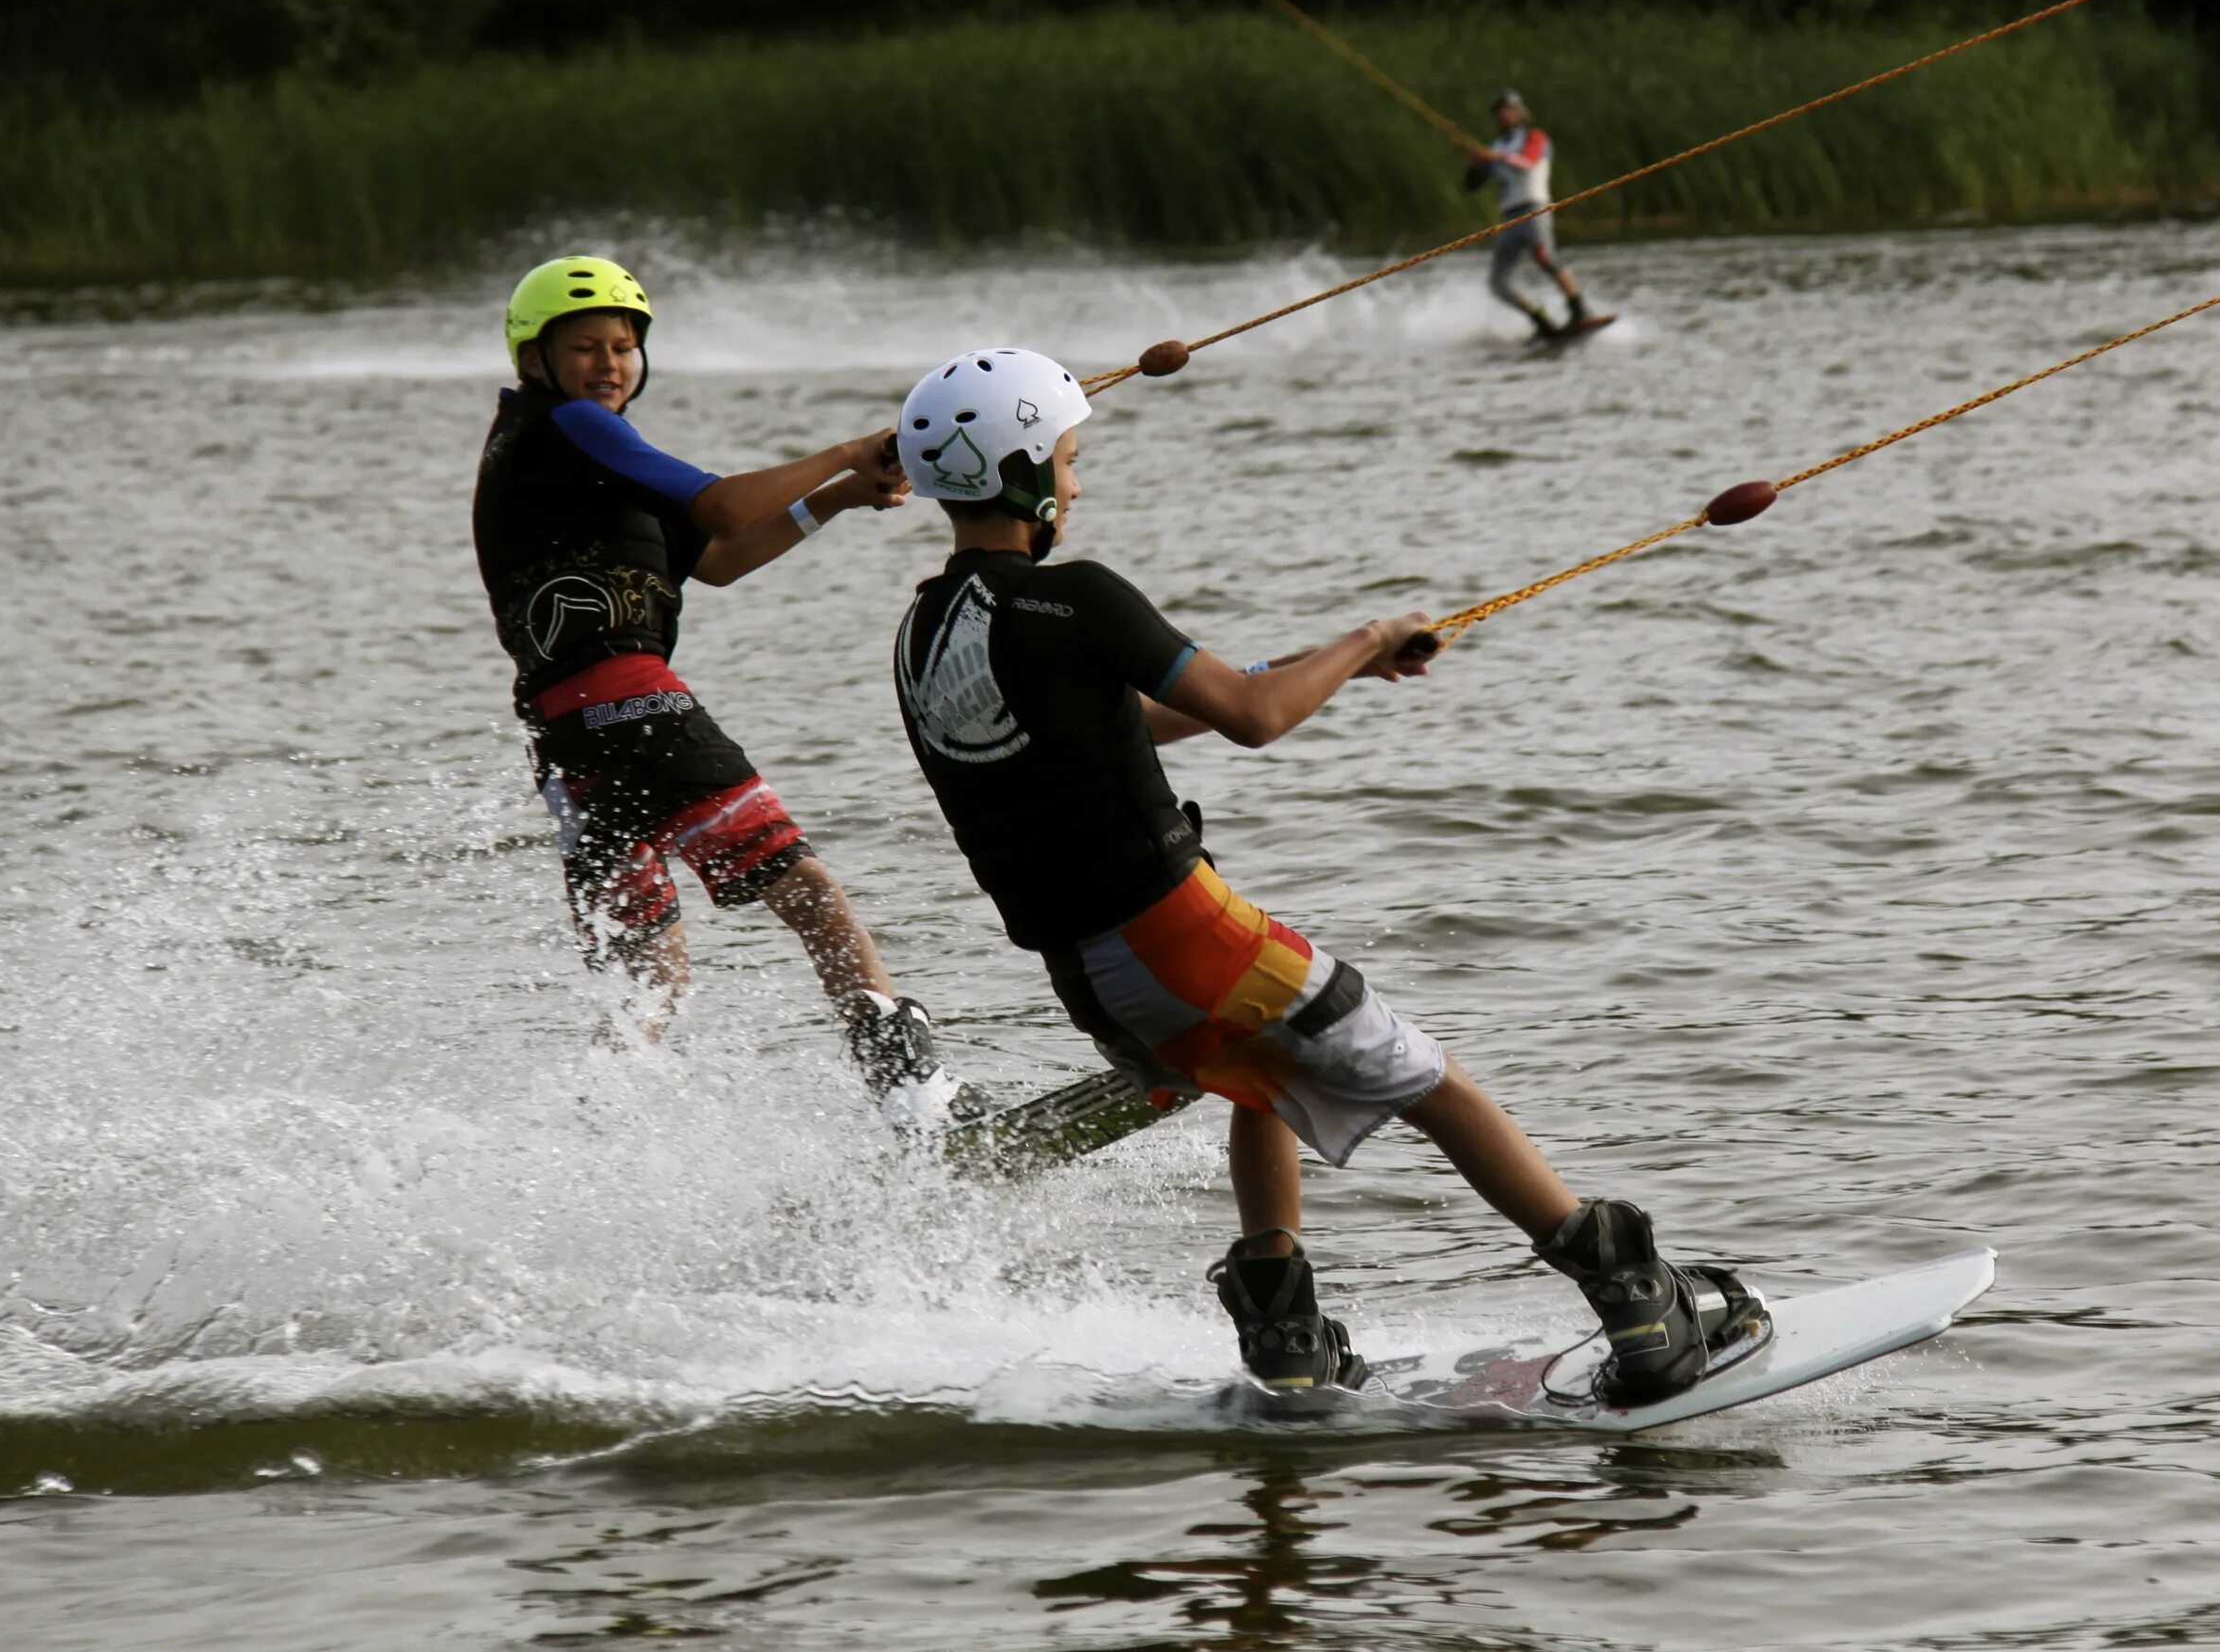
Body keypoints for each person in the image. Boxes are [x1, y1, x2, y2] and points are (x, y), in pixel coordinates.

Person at [885, 346, 1763, 1400]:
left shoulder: (925, 629)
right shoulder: (1078, 597)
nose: (1078, 481)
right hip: (1187, 937)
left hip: (1093, 978)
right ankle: (1640, 1303)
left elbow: (1132, 720)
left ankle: (1287, 1342)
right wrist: (1369, 631)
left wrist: (1338, 667)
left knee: (1263, 1081)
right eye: (1068, 458)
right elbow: (1251, 718)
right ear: (1021, 469)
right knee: (1434, 1081)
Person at [471, 254, 968, 1119]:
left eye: (623, 346)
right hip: (634, 702)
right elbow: (726, 507)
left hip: (567, 740)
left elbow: (723, 557)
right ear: (533, 361)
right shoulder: (574, 429)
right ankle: (912, 1090)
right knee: (810, 896)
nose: (608, 365)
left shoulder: (578, 455)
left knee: (648, 978)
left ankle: (583, 1127)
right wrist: (849, 449)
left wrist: (843, 495)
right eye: (584, 347)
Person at [1467, 88, 1602, 341]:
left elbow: (1528, 162)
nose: (1505, 116)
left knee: (1543, 256)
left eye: (1510, 110)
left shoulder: (1534, 137)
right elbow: (1473, 185)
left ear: (1519, 113)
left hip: (1534, 208)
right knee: (1498, 284)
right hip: (1509, 218)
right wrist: (1475, 163)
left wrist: (1496, 157)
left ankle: (1579, 310)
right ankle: (1541, 321)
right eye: (1500, 112)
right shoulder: (1495, 147)